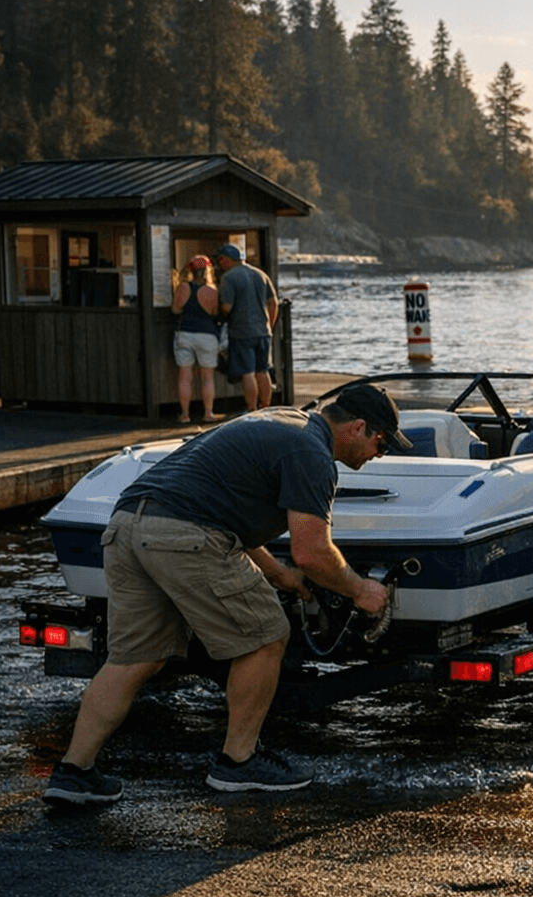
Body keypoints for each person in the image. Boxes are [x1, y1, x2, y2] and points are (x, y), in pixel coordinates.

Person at [42, 384, 414, 805]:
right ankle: (238, 762)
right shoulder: (313, 454)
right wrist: (361, 589)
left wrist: (278, 575)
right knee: (267, 636)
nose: (380, 454)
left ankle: (73, 773)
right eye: (380, 442)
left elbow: (225, 511)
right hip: (183, 532)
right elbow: (311, 553)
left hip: (128, 525)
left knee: (134, 657)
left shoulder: (281, 419)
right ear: (358, 427)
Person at [216, 242, 279, 413]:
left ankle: (252, 409)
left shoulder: (229, 278)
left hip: (241, 332)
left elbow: (226, 307)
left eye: (221, 259)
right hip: (263, 331)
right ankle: (266, 408)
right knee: (263, 370)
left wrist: (219, 309)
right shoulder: (261, 274)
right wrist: (269, 326)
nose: (220, 263)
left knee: (247, 372)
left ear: (227, 260)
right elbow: (273, 303)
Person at [171, 255, 222, 424]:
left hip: (185, 333)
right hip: (207, 335)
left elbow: (176, 309)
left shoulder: (183, 287)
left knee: (185, 375)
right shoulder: (213, 291)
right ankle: (208, 413)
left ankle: (185, 415)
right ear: (208, 270)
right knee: (207, 376)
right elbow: (215, 313)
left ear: (191, 270)